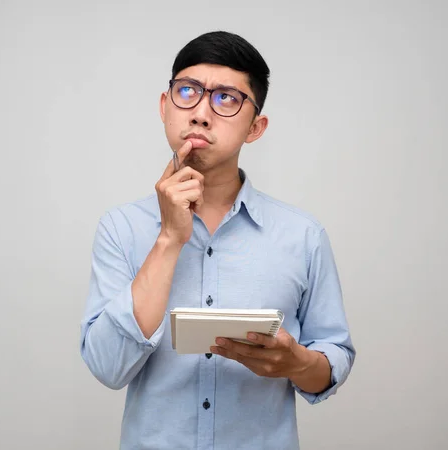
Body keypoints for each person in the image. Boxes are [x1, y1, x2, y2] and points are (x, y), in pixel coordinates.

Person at [80, 30, 356, 450]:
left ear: (255, 127)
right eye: (187, 91)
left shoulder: (302, 236)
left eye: (226, 98)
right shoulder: (121, 228)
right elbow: (107, 368)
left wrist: (298, 362)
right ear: (164, 106)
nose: (201, 113)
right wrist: (169, 239)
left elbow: (333, 358)